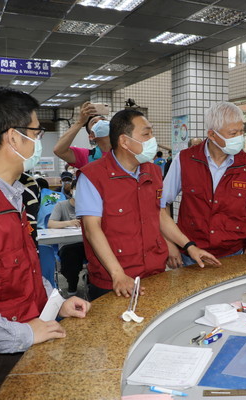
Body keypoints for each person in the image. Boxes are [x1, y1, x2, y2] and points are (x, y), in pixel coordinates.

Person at [0, 87, 90, 400]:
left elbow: (17, 272)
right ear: (14, 137)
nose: (39, 142)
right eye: (37, 132)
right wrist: (23, 333)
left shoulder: (9, 196)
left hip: (17, 350)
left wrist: (55, 304)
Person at [76, 109, 219, 300]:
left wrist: (190, 246)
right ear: (124, 141)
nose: (152, 139)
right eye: (146, 134)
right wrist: (117, 274)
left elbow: (159, 215)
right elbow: (92, 229)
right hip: (114, 281)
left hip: (154, 274)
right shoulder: (93, 176)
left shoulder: (152, 171)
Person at [161, 102, 246, 270]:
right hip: (191, 253)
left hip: (232, 254)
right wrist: (169, 244)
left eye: (242, 131)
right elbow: (162, 204)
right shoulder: (185, 159)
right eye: (233, 133)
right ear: (212, 135)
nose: (239, 137)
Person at [48, 180, 85, 296]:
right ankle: (72, 285)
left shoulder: (88, 206)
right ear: (72, 190)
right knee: (71, 257)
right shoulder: (61, 205)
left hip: (86, 243)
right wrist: (69, 223)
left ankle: (90, 280)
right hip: (68, 245)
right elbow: (51, 224)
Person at [53, 101, 111, 169]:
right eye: (94, 122)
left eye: (103, 120)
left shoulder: (124, 151)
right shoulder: (87, 156)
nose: (100, 122)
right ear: (91, 136)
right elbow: (59, 151)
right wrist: (80, 122)